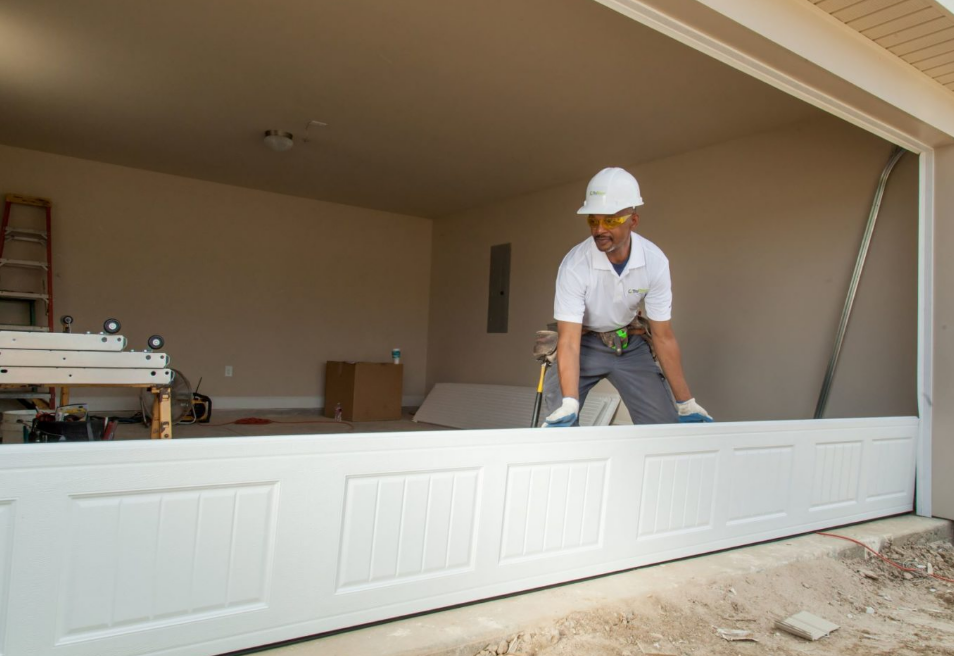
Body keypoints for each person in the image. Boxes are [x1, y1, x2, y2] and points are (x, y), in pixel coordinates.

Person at [542, 167, 711, 427]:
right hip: (583, 344)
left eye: (610, 221)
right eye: (592, 220)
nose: (599, 230)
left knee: (664, 425)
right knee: (560, 423)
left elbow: (663, 337)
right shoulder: (575, 265)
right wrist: (570, 403)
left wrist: (685, 402)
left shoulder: (654, 262)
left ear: (633, 221)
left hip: (629, 343)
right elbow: (569, 342)